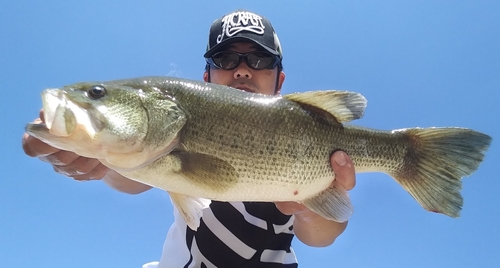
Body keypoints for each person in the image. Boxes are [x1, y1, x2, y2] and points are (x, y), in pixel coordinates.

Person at [22, 10, 356, 268]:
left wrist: (310, 206)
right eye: (225, 59)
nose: (242, 69)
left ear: (279, 80)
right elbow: (129, 179)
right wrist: (98, 157)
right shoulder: (165, 140)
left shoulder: (306, 136)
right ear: (207, 77)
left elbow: (319, 236)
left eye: (260, 59)